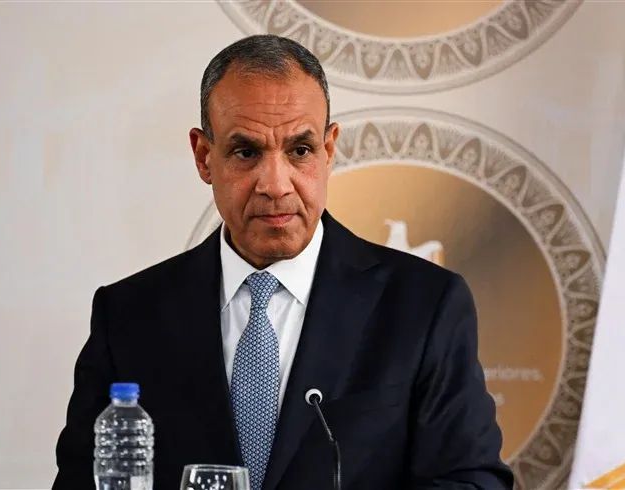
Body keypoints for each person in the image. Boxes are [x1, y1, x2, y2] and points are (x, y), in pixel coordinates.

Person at [54, 34, 512, 490]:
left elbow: (472, 483)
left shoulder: (424, 306)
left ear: (329, 150)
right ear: (204, 157)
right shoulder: (129, 315)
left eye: (300, 150)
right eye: (246, 152)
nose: (275, 185)